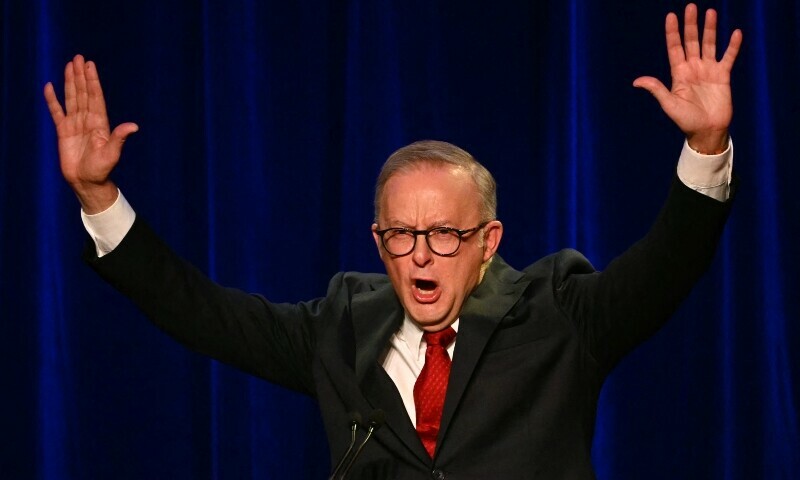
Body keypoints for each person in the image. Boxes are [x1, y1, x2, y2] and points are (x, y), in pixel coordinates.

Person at [44, 4, 742, 478]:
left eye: (444, 233)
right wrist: (98, 197)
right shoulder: (344, 326)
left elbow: (668, 266)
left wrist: (706, 146)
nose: (420, 254)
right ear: (379, 242)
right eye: (402, 234)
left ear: (488, 241)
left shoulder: (559, 312)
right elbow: (201, 312)